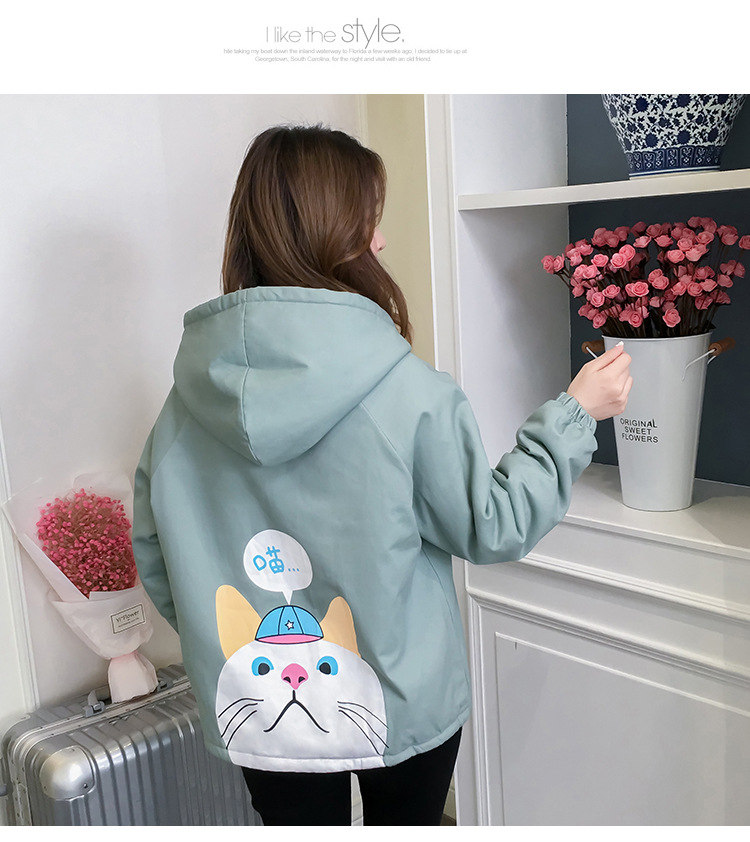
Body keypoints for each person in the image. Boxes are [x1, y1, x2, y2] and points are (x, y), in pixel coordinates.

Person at [132, 124, 632, 826]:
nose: (383, 241)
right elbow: (494, 525)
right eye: (370, 222)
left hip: (259, 705)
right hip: (402, 694)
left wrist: (227, 647)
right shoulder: (410, 394)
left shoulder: (182, 407)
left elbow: (157, 556)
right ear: (336, 236)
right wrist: (575, 414)